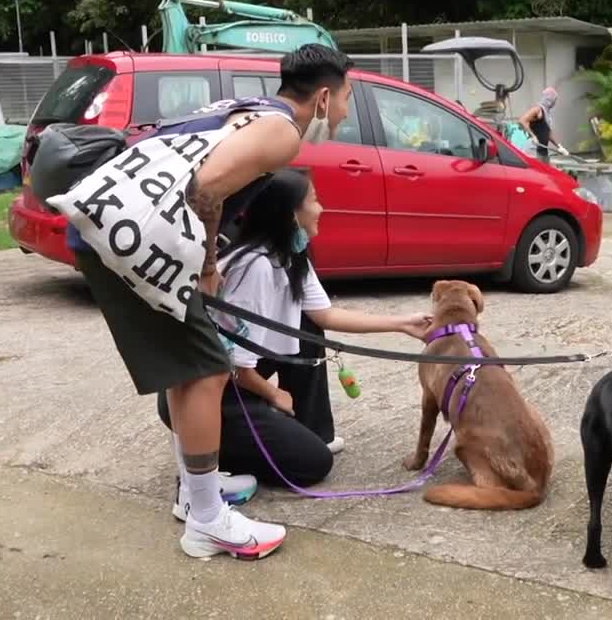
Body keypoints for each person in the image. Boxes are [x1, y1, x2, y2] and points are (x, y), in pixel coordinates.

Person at [72, 44, 355, 561]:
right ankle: (207, 520)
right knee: (205, 370)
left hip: (107, 227)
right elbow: (206, 189)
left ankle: (196, 497)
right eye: (345, 99)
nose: (343, 113)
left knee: (190, 370)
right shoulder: (281, 132)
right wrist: (205, 265)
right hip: (138, 236)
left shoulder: (248, 107)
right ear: (321, 97)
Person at [156, 169, 431, 497]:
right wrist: (273, 394)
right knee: (312, 466)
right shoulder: (253, 268)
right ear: (290, 214)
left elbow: (325, 315)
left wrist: (402, 324)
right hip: (212, 392)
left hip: (239, 375)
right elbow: (233, 365)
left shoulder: (290, 253)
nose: (321, 208)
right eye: (314, 200)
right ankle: (202, 451)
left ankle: (308, 430)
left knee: (308, 327)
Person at [518, 87, 568, 162]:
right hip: (533, 149)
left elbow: (548, 132)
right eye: (554, 100)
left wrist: (559, 146)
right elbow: (522, 120)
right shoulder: (537, 109)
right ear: (549, 100)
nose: (555, 102)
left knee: (546, 172)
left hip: (543, 151)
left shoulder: (547, 113)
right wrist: (533, 136)